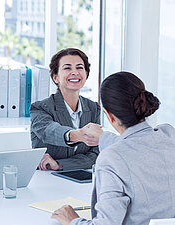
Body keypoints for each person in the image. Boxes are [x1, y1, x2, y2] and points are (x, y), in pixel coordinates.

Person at [52, 71, 175, 225]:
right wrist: (103, 137)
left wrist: (73, 220)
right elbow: (139, 146)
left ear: (109, 116)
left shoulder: (111, 158)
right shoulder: (169, 135)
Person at [30, 48, 100, 171]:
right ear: (55, 77)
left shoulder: (93, 108)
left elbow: (95, 154)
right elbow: (50, 131)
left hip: (82, 178)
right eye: (67, 68)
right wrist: (77, 135)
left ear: (86, 74)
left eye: (79, 67)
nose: (75, 72)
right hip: (46, 179)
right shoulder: (40, 108)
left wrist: (59, 164)